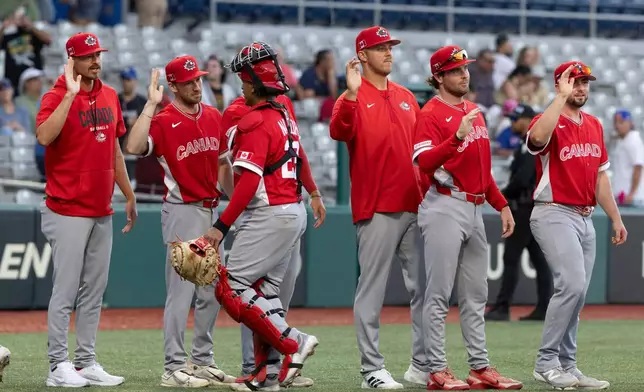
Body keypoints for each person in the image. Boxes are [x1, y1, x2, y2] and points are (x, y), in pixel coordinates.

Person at [203, 41, 319, 391]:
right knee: (265, 296)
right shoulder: (282, 111)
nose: (241, 86)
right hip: (291, 209)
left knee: (232, 286)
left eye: (243, 81)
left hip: (269, 212)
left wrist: (220, 226)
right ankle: (266, 375)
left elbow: (249, 180)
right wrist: (312, 192)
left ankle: (292, 341)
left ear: (254, 83)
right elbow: (298, 160)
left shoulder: (253, 120)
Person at [412, 45, 522, 390]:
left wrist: (501, 204)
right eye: (456, 70)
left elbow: (483, 169)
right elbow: (423, 163)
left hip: (475, 206)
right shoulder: (429, 112)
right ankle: (436, 370)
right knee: (439, 294)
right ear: (439, 76)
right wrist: (455, 137)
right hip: (444, 204)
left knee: (476, 295)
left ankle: (479, 367)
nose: (464, 74)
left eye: (465, 69)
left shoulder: (475, 110)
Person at [123, 55, 236, 388]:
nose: (197, 84)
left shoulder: (214, 116)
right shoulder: (163, 119)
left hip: (212, 212)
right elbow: (132, 146)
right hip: (182, 209)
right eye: (189, 81)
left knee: (214, 290)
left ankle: (201, 360)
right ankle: (173, 366)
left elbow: (223, 166)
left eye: (198, 79)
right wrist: (151, 105)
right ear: (173, 86)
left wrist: (238, 203)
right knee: (181, 292)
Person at [35, 32, 136, 388]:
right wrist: (69, 95)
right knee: (65, 290)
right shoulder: (55, 95)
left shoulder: (109, 95)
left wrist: (128, 193)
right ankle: (57, 365)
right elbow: (45, 136)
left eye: (98, 54)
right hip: (66, 209)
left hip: (100, 208)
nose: (96, 60)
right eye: (88, 55)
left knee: (94, 291)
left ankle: (86, 361)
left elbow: (115, 151)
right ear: (72, 61)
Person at [329, 25, 428, 389]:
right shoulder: (350, 98)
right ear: (363, 55)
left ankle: (422, 364)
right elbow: (339, 132)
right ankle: (371, 368)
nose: (389, 52)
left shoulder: (405, 96)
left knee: (425, 289)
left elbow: (421, 152)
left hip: (414, 205)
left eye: (390, 47)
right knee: (371, 291)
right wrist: (352, 94)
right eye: (380, 47)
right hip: (376, 207)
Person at [526, 61, 627, 390]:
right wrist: (559, 98)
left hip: (584, 217)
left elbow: (601, 178)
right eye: (575, 81)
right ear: (560, 84)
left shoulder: (595, 124)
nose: (581, 88)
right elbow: (535, 139)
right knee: (570, 284)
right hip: (553, 211)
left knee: (578, 292)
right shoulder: (550, 119)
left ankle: (567, 365)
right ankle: (546, 363)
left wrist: (615, 217)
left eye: (585, 82)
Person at [484, 104, 552, 322]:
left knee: (511, 256)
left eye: (516, 119)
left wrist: (501, 194)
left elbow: (523, 179)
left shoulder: (533, 142)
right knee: (539, 259)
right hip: (530, 206)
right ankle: (544, 307)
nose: (512, 123)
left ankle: (503, 307)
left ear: (527, 119)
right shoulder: (526, 143)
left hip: (525, 206)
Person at [610, 109, 644, 206]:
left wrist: (632, 193)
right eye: (615, 122)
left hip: (632, 198)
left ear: (629, 123)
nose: (617, 125)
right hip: (622, 195)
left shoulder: (633, 140)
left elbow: (638, 167)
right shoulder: (622, 140)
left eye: (621, 122)